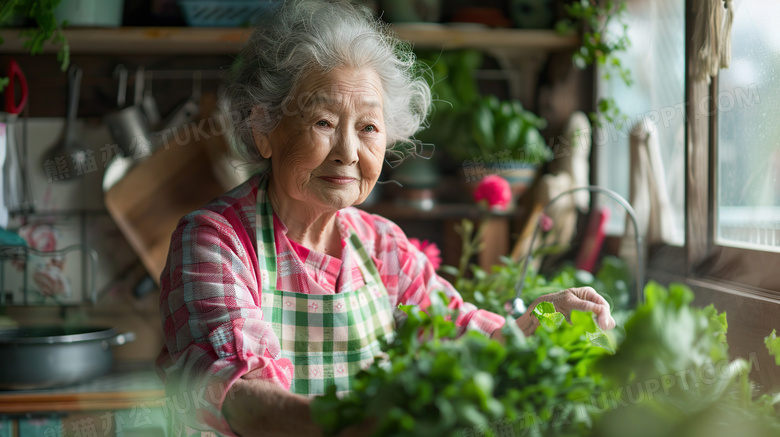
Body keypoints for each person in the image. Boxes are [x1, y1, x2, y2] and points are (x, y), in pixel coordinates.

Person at [156, 1, 616, 436]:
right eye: (323, 122)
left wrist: (540, 320)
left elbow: (467, 340)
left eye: (368, 128)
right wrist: (363, 426)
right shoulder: (215, 240)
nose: (348, 153)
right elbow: (242, 397)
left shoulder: (383, 246)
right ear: (263, 130)